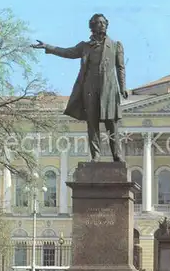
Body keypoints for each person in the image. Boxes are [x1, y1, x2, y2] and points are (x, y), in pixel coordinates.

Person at [31, 14, 129, 163]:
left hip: (109, 90)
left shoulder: (116, 45)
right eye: (98, 23)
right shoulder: (85, 46)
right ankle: (95, 155)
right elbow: (67, 52)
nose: (102, 25)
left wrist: (123, 87)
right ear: (92, 26)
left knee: (112, 124)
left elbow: (120, 67)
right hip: (89, 89)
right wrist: (48, 47)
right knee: (92, 123)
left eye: (104, 23)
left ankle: (117, 155)